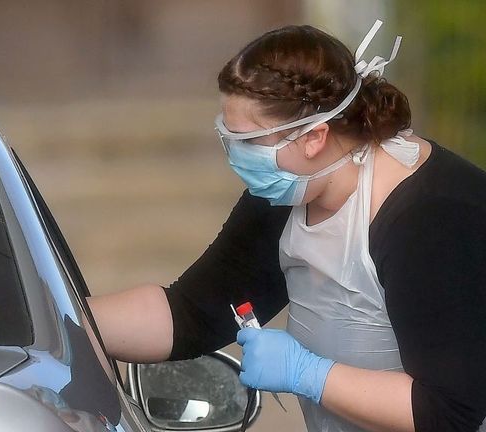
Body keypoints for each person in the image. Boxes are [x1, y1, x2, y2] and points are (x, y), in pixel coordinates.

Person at [88, 20, 486, 432]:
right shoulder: (291, 189)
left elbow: (448, 411)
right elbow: (191, 314)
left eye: (249, 142)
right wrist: (61, 318)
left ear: (315, 137)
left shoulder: (429, 215)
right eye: (228, 139)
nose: (237, 159)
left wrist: (307, 373)